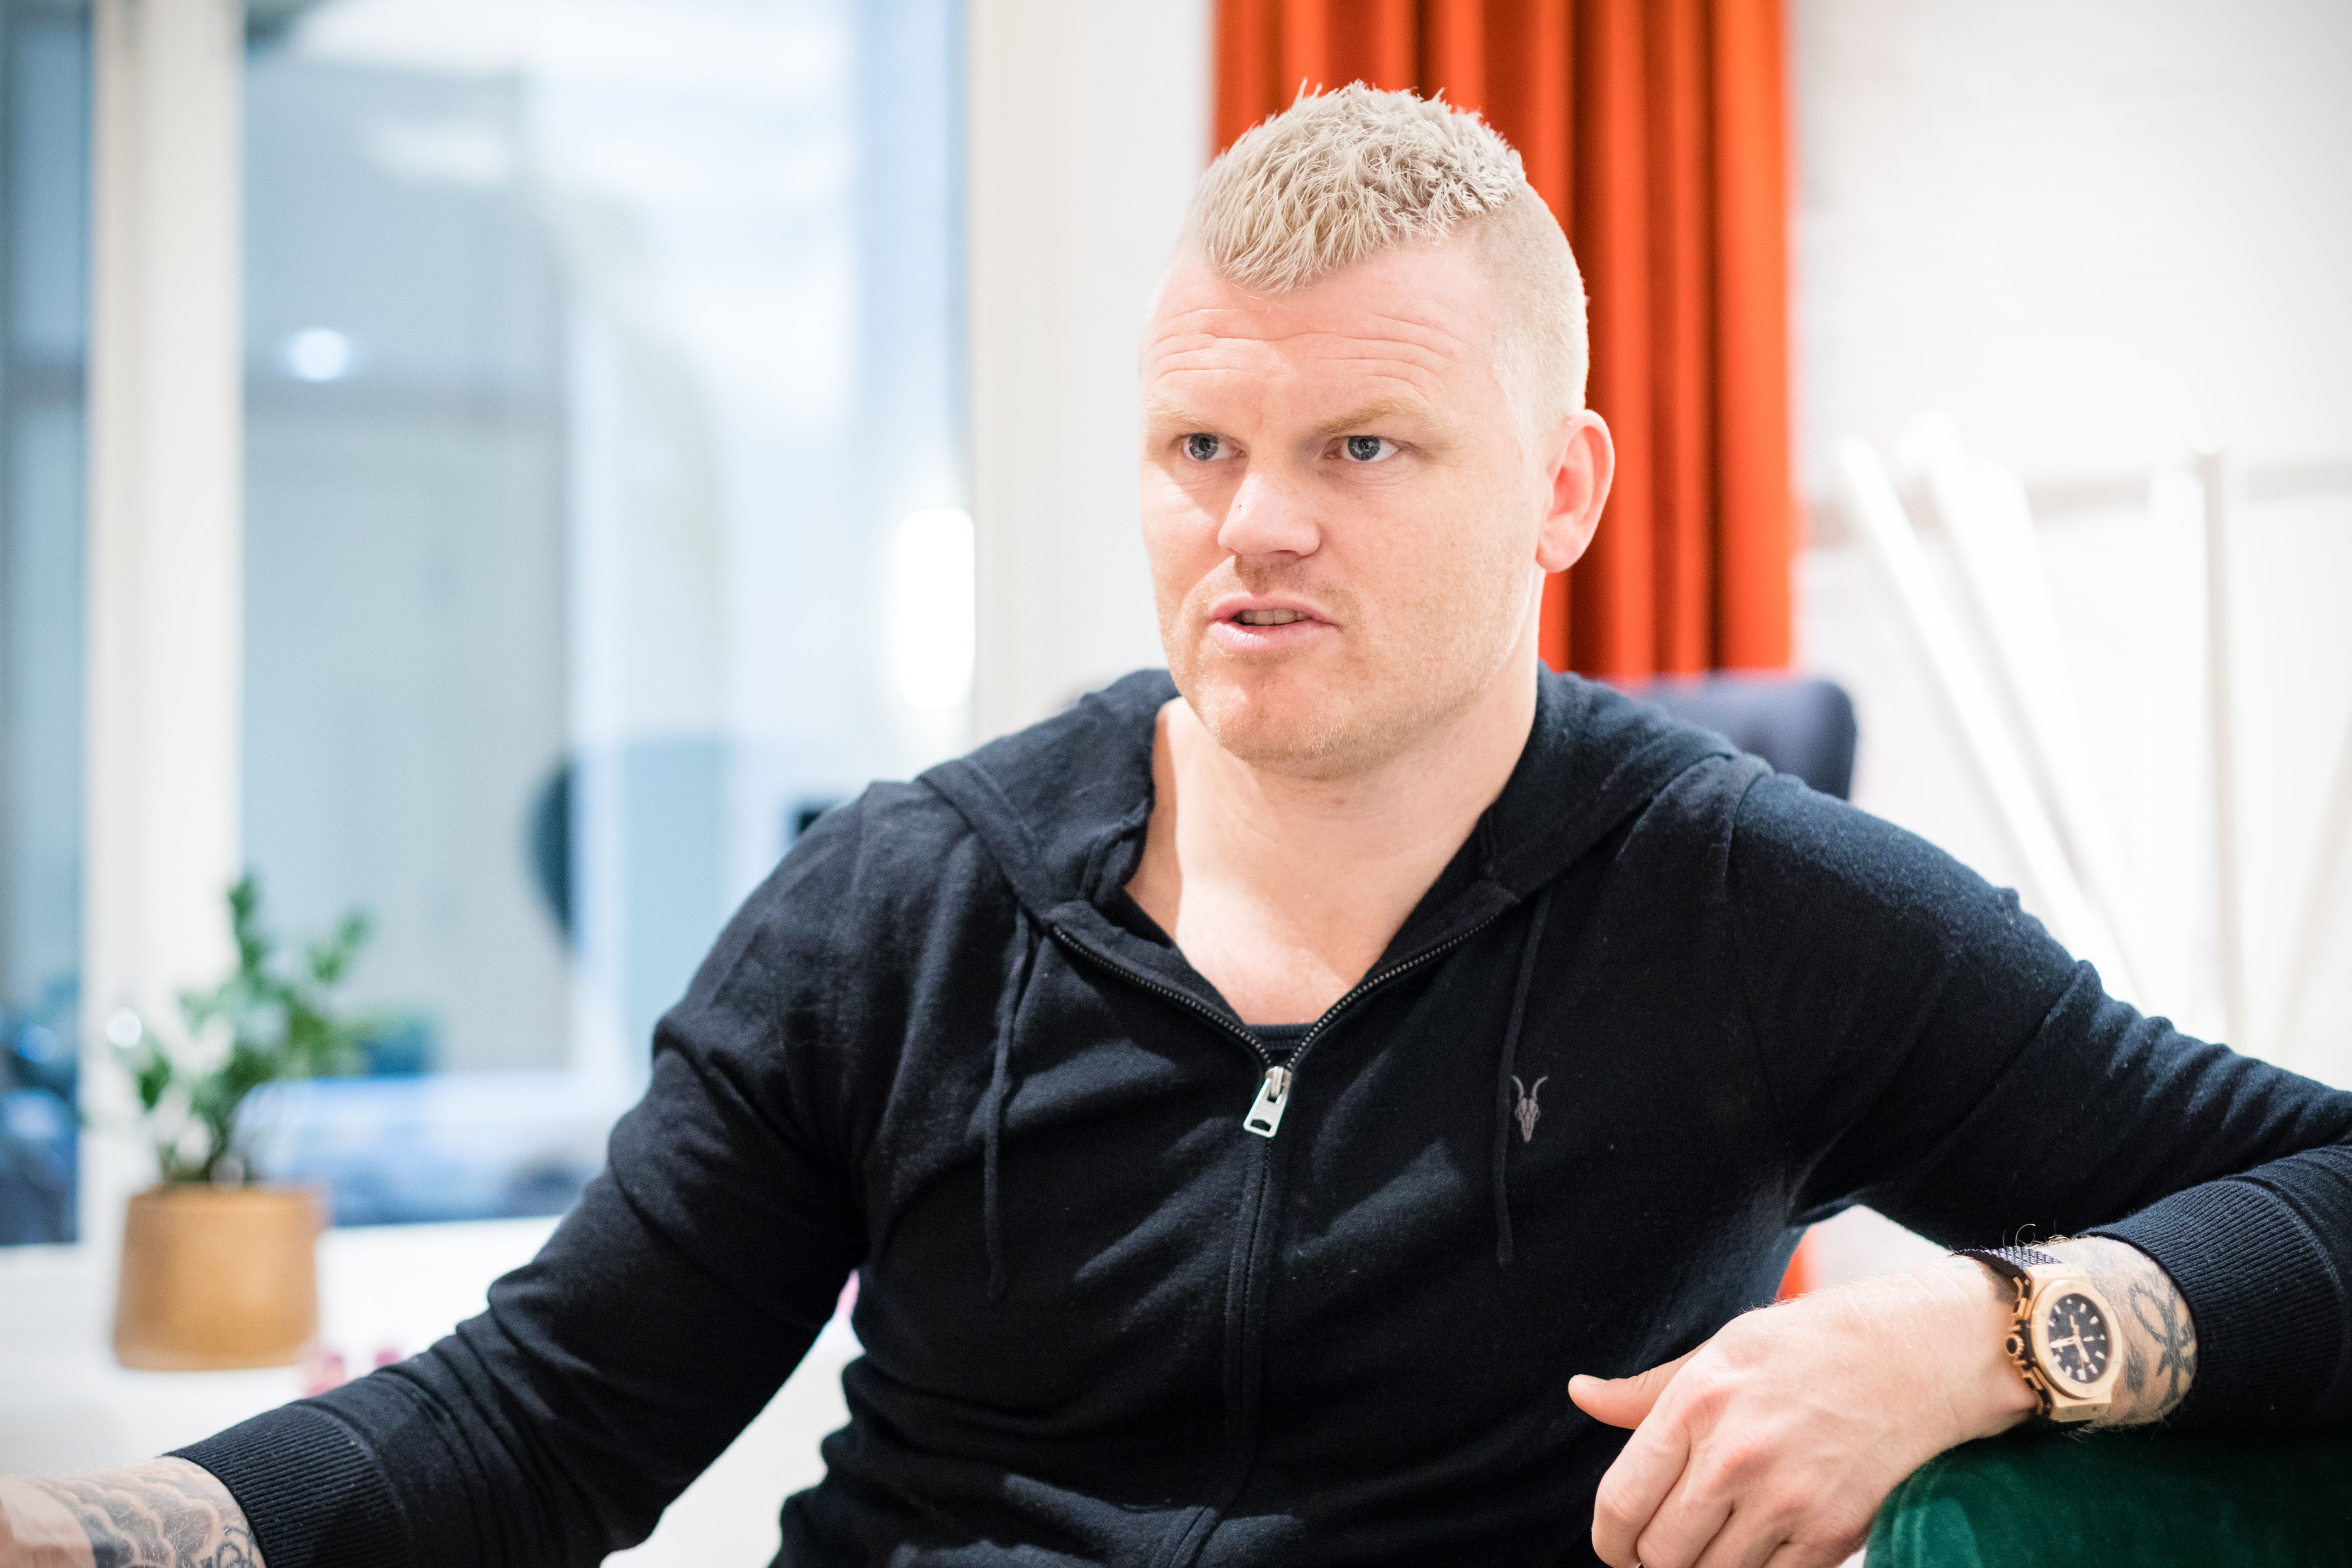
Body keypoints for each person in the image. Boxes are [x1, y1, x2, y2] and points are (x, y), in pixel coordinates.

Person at [6, 85, 2349, 1568]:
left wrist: (1982, 1337)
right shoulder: (902, 904)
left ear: (1562, 491)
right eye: (1199, 447)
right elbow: (545, 1420)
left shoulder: (1748, 905)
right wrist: (98, 1533)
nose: (1256, 526)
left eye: (1363, 448)